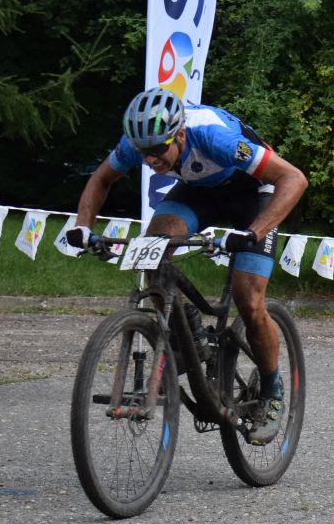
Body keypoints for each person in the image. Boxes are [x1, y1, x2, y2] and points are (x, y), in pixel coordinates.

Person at [66, 88, 309, 445]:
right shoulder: (139, 142)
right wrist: (83, 228)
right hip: (199, 192)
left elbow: (294, 179)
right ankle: (190, 338)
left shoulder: (213, 137)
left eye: (158, 150)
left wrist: (253, 233)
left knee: (248, 298)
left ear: (179, 134)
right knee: (153, 252)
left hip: (254, 194)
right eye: (144, 153)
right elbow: (101, 178)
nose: (150, 160)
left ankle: (272, 392)